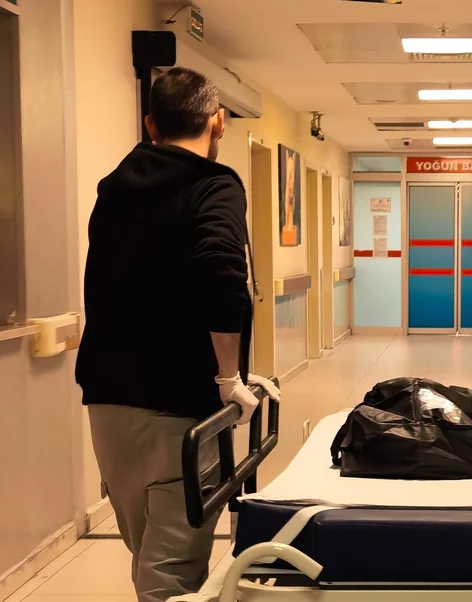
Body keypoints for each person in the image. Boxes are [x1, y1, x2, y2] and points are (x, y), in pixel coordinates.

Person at [75, 67, 280, 602]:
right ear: (218, 122)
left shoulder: (112, 189)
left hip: (108, 407)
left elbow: (135, 284)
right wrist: (229, 376)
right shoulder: (213, 185)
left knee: (144, 550)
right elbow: (222, 275)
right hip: (179, 409)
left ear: (151, 124)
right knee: (170, 572)